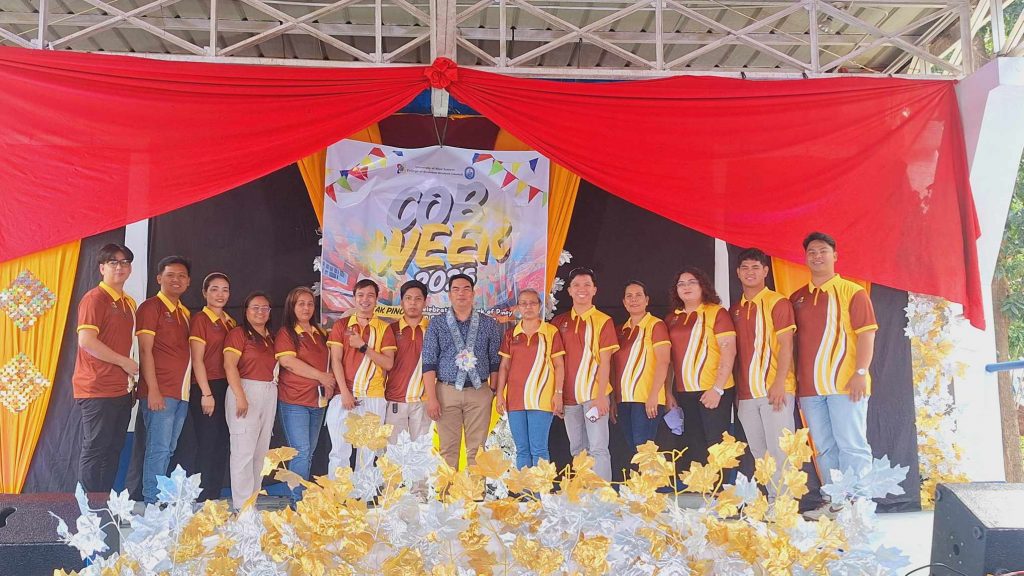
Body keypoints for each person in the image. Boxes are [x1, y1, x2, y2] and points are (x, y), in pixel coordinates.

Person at [791, 232, 877, 519]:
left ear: (835, 256)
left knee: (852, 444)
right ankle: (835, 502)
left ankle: (858, 505)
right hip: (810, 389)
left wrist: (861, 372)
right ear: (805, 258)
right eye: (812, 252)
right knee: (824, 448)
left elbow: (867, 335)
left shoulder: (853, 292)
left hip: (845, 384)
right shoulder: (797, 298)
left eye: (823, 251)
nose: (817, 256)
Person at [73, 243, 140, 494]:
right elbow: (86, 341)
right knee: (96, 449)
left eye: (125, 262)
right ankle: (89, 508)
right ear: (102, 268)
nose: (119, 267)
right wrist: (123, 362)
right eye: (113, 262)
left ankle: (104, 504)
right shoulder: (95, 298)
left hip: (121, 389)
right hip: (97, 388)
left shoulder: (128, 302)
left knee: (113, 449)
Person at [730, 249, 796, 501]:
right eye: (745, 268)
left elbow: (787, 345)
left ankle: (785, 504)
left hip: (775, 390)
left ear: (766, 271)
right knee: (760, 453)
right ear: (738, 273)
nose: (750, 272)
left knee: (781, 450)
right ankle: (771, 499)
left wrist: (779, 383)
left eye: (755, 267)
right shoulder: (735, 309)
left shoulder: (778, 302)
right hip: (747, 394)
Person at [422, 273, 504, 469]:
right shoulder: (437, 323)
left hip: (479, 392)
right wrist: (432, 398)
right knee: (447, 450)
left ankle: (475, 489)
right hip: (446, 392)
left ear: (473, 294)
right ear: (449, 295)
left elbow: (495, 361)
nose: (461, 293)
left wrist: (492, 391)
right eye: (456, 289)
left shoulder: (489, 324)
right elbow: (428, 362)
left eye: (466, 289)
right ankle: (447, 489)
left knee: (478, 451)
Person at [550, 267, 619, 482]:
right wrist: (557, 395)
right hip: (569, 398)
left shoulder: (603, 321)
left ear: (594, 290)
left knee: (598, 448)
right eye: (577, 285)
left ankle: (601, 495)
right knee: (577, 449)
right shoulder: (558, 322)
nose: (582, 289)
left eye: (587, 285)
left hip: (593, 396)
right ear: (569, 290)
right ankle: (583, 492)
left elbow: (606, 362)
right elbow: (554, 364)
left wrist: (602, 396)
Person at [665, 267, 736, 470]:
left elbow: (729, 351)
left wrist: (717, 389)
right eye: (681, 284)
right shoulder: (671, 319)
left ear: (703, 286)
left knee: (717, 444)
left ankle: (721, 487)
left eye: (692, 282)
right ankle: (700, 486)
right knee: (694, 444)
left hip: (713, 390)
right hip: (685, 392)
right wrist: (668, 392)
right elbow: (668, 360)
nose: (686, 287)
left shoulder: (716, 312)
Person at [135, 256, 193, 504]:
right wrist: (153, 390)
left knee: (168, 448)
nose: (176, 280)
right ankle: (152, 501)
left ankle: (159, 498)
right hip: (160, 392)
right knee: (158, 448)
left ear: (188, 282)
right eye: (170, 275)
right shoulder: (151, 307)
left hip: (181, 392)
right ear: (159, 278)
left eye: (181, 276)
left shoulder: (184, 312)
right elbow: (145, 350)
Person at [326, 279, 396, 478]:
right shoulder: (342, 325)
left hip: (373, 397)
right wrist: (345, 393)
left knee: (367, 453)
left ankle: (362, 495)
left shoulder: (384, 328)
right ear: (354, 298)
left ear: (377, 299)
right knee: (339, 452)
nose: (365, 300)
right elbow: (335, 361)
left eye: (370, 295)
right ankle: (337, 494)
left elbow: (388, 363)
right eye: (361, 295)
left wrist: (363, 347)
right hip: (343, 396)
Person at [495, 288, 565, 469]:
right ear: (518, 307)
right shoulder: (511, 334)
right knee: (522, 450)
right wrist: (500, 394)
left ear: (540, 305)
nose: (528, 307)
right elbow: (504, 366)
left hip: (541, 399)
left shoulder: (550, 332)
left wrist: (558, 393)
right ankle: (525, 487)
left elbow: (559, 365)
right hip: (515, 399)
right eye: (523, 303)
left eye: (532, 303)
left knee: (539, 449)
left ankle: (540, 487)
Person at [274, 286, 334, 494]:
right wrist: (321, 377)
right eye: (301, 304)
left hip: (317, 402)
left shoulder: (320, 333)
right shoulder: (286, 333)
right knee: (301, 451)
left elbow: (330, 362)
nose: (306, 308)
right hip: (294, 401)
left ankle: (300, 496)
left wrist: (330, 382)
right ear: (291, 306)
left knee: (308, 453)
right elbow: (288, 362)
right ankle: (296, 501)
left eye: (310, 304)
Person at [223, 292, 277, 510]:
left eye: (265, 308)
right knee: (243, 451)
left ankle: (251, 503)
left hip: (268, 392)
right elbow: (229, 365)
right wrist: (240, 396)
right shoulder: (238, 334)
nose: (260, 312)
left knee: (260, 453)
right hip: (245, 390)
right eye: (255, 307)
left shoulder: (270, 337)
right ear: (246, 311)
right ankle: (241, 507)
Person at [187, 272, 236, 501]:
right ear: (204, 293)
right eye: (214, 289)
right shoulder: (200, 319)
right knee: (206, 442)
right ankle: (201, 497)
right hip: (206, 386)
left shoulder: (230, 322)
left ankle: (214, 496)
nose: (220, 294)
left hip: (227, 387)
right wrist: (206, 393)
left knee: (221, 442)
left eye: (225, 290)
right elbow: (197, 360)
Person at [612, 281, 672, 460]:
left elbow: (664, 361)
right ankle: (644, 478)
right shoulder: (620, 330)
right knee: (633, 449)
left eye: (638, 295)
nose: (634, 299)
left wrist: (653, 395)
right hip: (624, 399)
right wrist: (613, 400)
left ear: (647, 300)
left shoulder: (656, 325)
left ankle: (651, 479)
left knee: (643, 447)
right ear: (624, 302)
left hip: (646, 398)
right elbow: (614, 367)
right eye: (629, 296)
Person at [383, 280, 432, 444]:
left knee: (422, 453)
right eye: (408, 298)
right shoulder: (390, 330)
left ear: (425, 302)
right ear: (401, 302)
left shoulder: (433, 330)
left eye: (418, 299)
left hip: (423, 402)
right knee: (393, 452)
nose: (413, 303)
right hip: (395, 400)